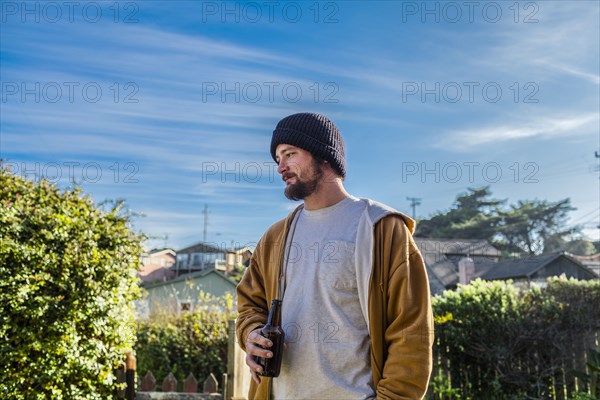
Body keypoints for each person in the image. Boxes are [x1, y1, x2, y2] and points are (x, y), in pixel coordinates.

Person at [236, 112, 434, 399]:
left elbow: (411, 331)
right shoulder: (275, 237)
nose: (281, 167)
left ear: (323, 155)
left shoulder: (382, 229)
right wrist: (251, 333)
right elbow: (249, 303)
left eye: (290, 154)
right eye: (277, 159)